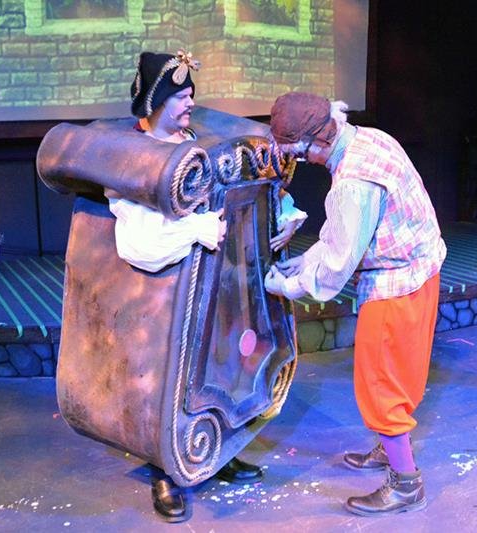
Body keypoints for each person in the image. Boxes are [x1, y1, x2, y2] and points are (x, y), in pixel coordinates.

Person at [114, 50, 306, 522]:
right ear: (154, 101)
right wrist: (195, 231)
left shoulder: (197, 141)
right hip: (164, 292)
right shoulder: (131, 158)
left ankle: (218, 453)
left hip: (219, 289)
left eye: (190, 95)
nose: (189, 104)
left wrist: (283, 218)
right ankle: (166, 471)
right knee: (164, 383)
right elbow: (138, 244)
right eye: (180, 96)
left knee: (222, 370)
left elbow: (246, 190)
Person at [263, 92, 446, 516]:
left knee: (381, 385)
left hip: (394, 286)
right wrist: (304, 261)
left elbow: (339, 261)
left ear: (318, 141)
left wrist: (290, 286)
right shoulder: (370, 139)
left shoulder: (352, 182)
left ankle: (405, 483)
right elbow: (347, 232)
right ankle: (390, 449)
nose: (302, 161)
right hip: (421, 271)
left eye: (300, 153)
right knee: (400, 376)